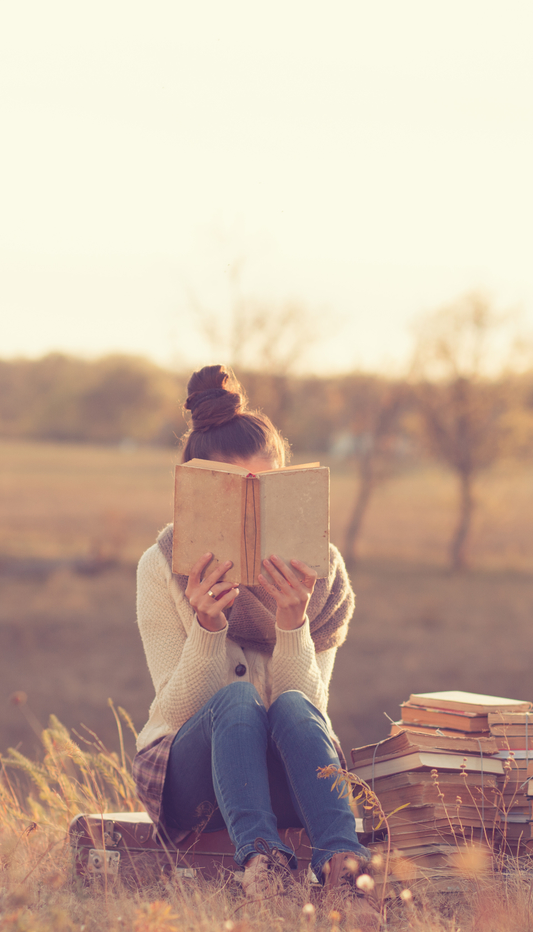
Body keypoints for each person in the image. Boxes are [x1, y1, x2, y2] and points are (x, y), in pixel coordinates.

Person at [131, 364, 371, 897]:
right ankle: (262, 863)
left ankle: (344, 866)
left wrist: (292, 623)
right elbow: (174, 713)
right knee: (237, 700)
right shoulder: (161, 565)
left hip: (286, 772)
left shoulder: (322, 572)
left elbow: (309, 711)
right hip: (191, 777)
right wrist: (208, 628)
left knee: (290, 708)